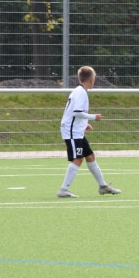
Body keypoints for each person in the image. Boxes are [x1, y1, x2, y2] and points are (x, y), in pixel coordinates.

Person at [57, 66, 121, 198]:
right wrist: (93, 117)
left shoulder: (80, 91)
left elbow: (75, 113)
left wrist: (84, 124)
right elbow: (76, 112)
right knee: (78, 158)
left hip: (76, 130)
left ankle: (103, 186)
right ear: (91, 79)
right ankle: (63, 189)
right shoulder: (80, 92)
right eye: (94, 78)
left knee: (90, 156)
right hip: (72, 131)